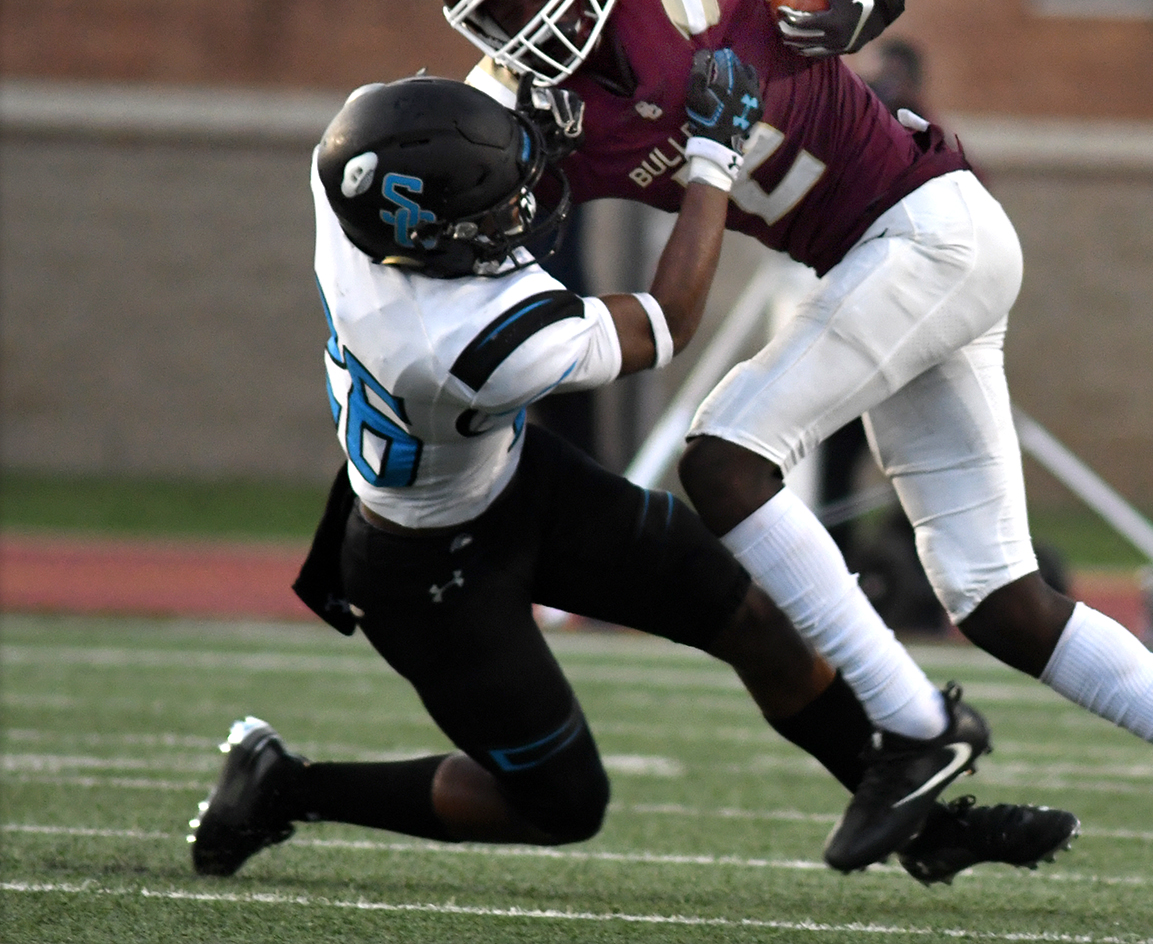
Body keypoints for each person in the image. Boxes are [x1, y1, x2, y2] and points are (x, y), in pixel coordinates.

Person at [427, 0, 1153, 922]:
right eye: (498, 4)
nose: (528, 14)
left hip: (927, 231)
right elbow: (491, 231)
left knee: (725, 454)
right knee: (997, 600)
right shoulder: (529, 107)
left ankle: (913, 727)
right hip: (884, 261)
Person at [188, 68, 1077, 885]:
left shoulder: (349, 169)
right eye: (491, 214)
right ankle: (285, 788)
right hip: (424, 568)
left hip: (517, 479)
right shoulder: (467, 341)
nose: (515, 214)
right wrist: (710, 163)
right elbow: (665, 321)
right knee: (562, 804)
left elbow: (433, 129)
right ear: (433, 243)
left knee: (756, 617)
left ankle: (924, 825)